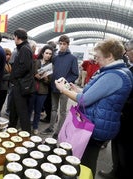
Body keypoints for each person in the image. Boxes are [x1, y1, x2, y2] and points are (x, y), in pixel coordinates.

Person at [55, 38, 133, 177]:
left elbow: (85, 100)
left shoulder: (113, 75)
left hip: (95, 127)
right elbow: (95, 94)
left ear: (110, 56)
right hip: (100, 123)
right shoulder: (118, 71)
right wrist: (76, 88)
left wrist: (63, 90)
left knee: (86, 162)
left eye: (98, 57)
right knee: (86, 159)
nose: (96, 60)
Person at [98, 39, 133, 179]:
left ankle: (122, 173)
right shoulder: (129, 68)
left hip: (129, 115)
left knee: (126, 149)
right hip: (123, 114)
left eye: (128, 51)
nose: (126, 54)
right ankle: (116, 171)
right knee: (118, 145)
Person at [41, 35, 79, 136]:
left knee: (62, 111)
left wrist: (65, 81)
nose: (62, 46)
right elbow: (51, 70)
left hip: (65, 89)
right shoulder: (55, 57)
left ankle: (58, 132)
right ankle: (50, 127)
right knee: (53, 109)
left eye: (64, 44)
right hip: (54, 87)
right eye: (60, 44)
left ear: (68, 45)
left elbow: (75, 74)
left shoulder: (72, 58)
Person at [8, 28, 34, 133]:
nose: (14, 39)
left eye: (14, 37)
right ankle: (11, 130)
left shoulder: (24, 49)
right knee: (13, 109)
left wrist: (14, 76)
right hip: (18, 84)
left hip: (21, 85)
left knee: (22, 111)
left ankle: (26, 134)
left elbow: (25, 67)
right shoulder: (24, 48)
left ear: (18, 38)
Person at [29, 45, 53, 135]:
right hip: (33, 89)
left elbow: (50, 81)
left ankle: (35, 127)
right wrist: (35, 75)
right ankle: (26, 126)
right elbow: (31, 74)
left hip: (43, 91)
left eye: (50, 54)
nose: (48, 55)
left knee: (38, 111)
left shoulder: (51, 66)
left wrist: (46, 79)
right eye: (46, 53)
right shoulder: (36, 62)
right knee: (29, 109)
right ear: (43, 53)